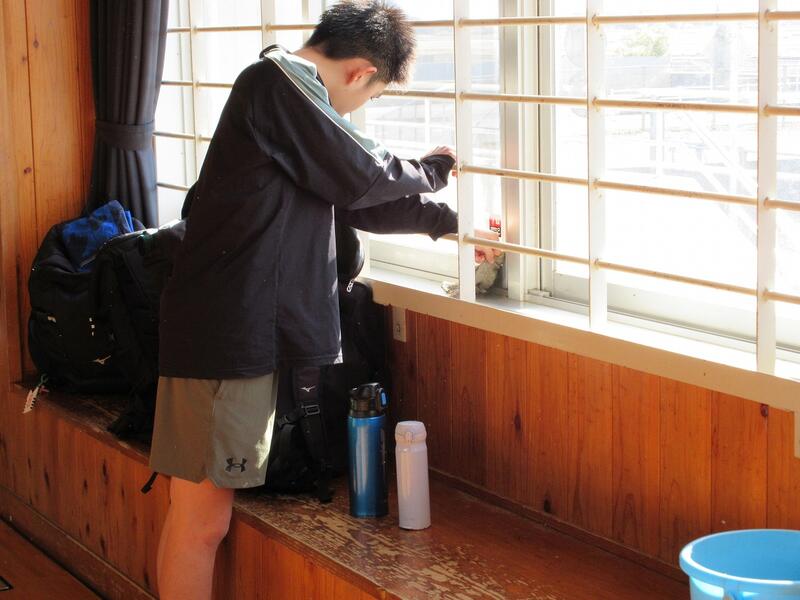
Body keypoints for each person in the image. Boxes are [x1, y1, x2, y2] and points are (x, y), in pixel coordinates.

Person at [149, 2, 496, 598]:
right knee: (201, 522)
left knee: (199, 518)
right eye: (371, 97)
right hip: (224, 337)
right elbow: (363, 171)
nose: (357, 111)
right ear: (361, 72)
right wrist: (433, 170)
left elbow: (356, 195)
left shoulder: (289, 98)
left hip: (230, 332)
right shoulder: (277, 81)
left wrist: (450, 224)